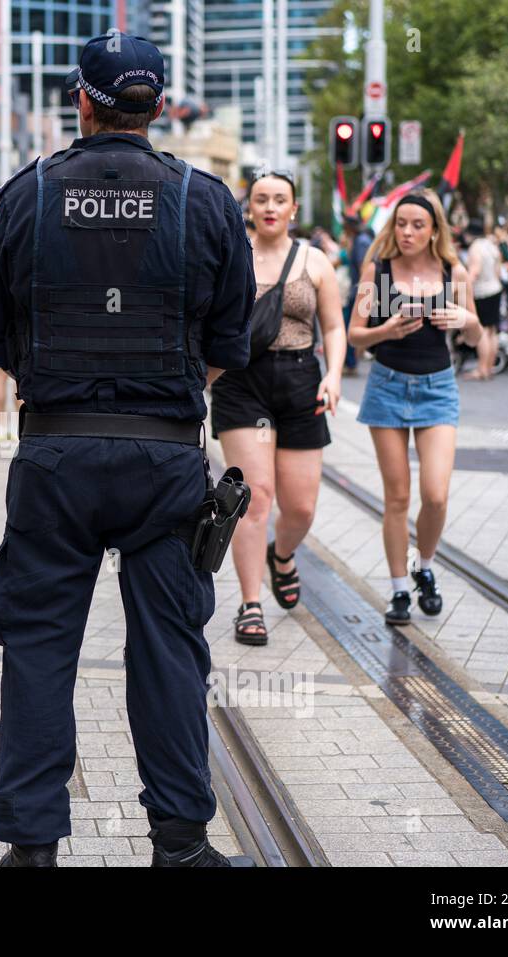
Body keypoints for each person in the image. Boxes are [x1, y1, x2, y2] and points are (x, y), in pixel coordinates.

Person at [0, 33, 255, 867]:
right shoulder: (205, 197)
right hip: (165, 458)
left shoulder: (27, 193)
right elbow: (230, 342)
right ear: (162, 106)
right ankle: (181, 842)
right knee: (170, 649)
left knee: (38, 647)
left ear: (80, 101)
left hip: (55, 458)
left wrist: (60, 375)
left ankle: (31, 847)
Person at [210, 171, 346, 645]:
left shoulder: (315, 261)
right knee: (255, 498)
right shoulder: (232, 255)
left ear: (293, 209)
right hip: (241, 383)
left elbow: (333, 327)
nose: (269, 207)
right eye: (261, 199)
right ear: (250, 207)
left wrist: (333, 375)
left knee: (302, 508)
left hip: (300, 382)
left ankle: (282, 556)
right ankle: (250, 603)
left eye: (279, 200)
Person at [347, 189, 482, 624]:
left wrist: (465, 321)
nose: (407, 232)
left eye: (417, 225)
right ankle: (399, 589)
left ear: (434, 230)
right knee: (398, 497)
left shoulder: (453, 272)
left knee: (436, 495)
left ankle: (424, 566)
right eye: (401, 224)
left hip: (437, 388)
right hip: (386, 386)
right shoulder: (378, 269)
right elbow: (354, 334)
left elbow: (478, 338)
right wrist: (385, 330)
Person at [464, 219, 503, 380]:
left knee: (482, 331)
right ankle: (489, 367)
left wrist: (464, 285)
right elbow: (498, 270)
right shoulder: (491, 245)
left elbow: (475, 270)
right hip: (496, 288)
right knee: (492, 331)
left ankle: (482, 369)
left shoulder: (475, 247)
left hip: (482, 291)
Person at [341, 215, 373, 377]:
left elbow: (363, 267)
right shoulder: (360, 239)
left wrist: (364, 294)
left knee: (350, 327)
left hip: (359, 291)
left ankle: (351, 363)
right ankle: (350, 362)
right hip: (357, 290)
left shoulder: (361, 241)